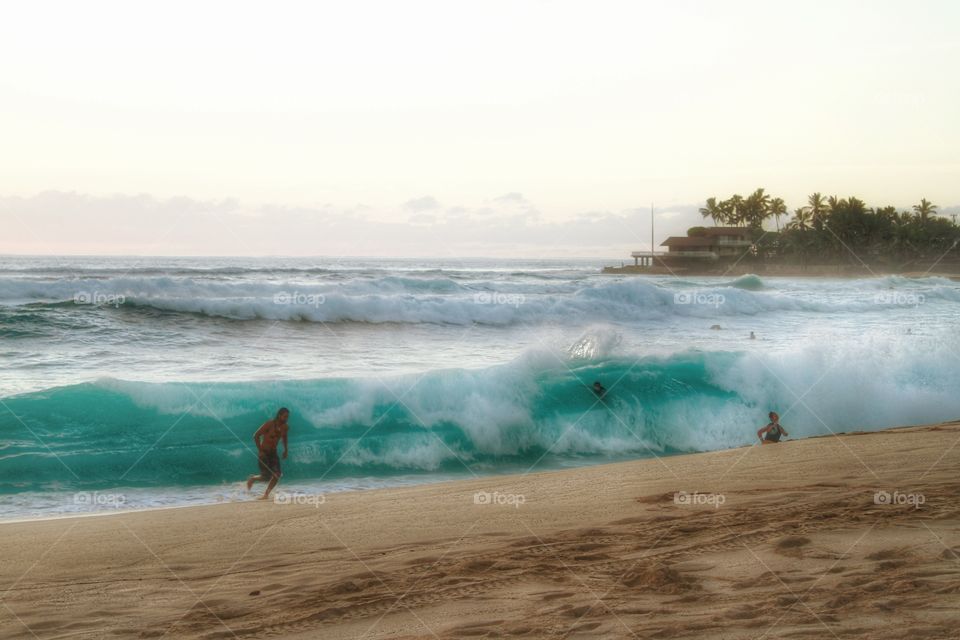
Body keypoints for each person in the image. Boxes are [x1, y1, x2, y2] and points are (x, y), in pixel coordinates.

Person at [246, 407, 290, 500]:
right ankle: (252, 478)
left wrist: (285, 450)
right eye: (285, 416)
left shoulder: (285, 427)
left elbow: (284, 437)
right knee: (266, 477)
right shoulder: (269, 424)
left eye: (287, 417)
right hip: (264, 453)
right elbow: (256, 435)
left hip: (273, 453)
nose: (286, 418)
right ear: (279, 415)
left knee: (277, 475)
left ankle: (266, 495)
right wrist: (260, 451)